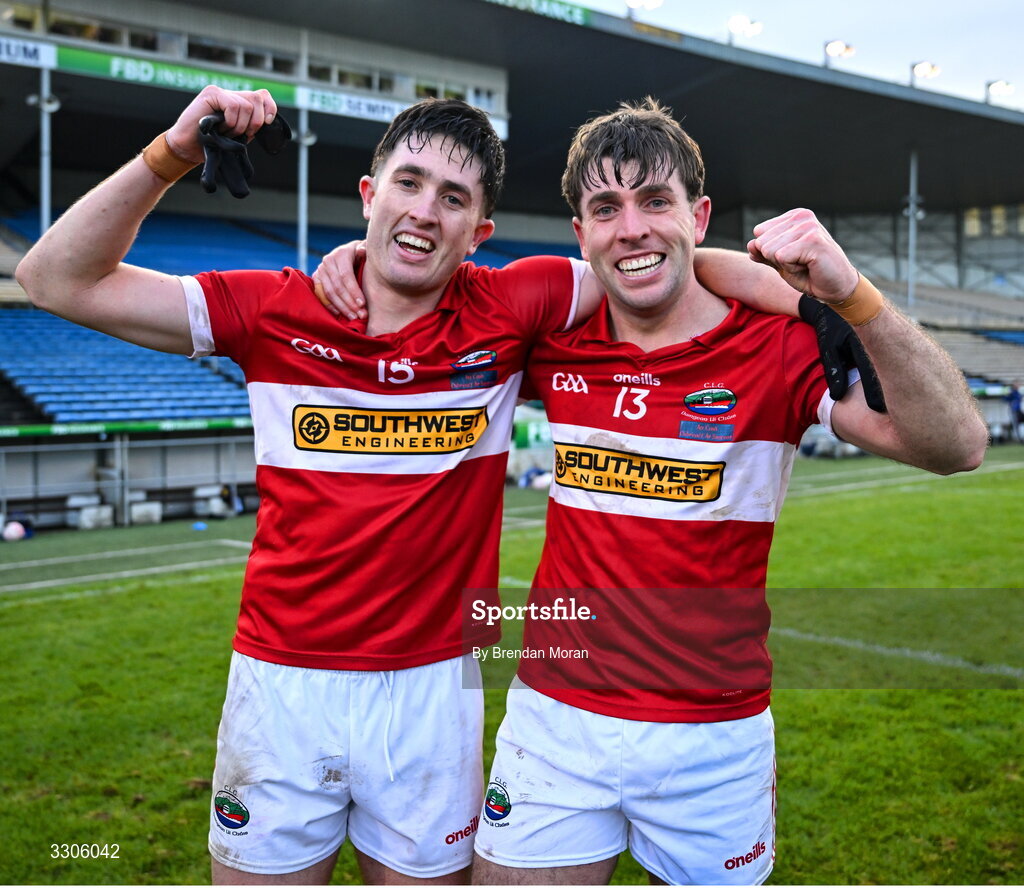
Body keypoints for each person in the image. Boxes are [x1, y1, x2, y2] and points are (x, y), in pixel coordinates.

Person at [15, 86, 801, 885]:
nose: (426, 211)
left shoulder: (515, 303)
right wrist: (173, 152)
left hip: (435, 691)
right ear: (370, 194)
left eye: (453, 198)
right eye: (409, 184)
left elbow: (651, 257)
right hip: (281, 685)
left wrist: (807, 302)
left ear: (478, 232)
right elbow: (54, 281)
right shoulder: (270, 310)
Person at [461, 99, 986, 885]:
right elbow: (418, 295)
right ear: (581, 234)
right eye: (606, 208)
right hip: (555, 720)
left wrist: (852, 300)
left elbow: (957, 446)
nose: (631, 227)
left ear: (698, 215)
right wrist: (352, 261)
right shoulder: (556, 333)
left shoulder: (775, 346)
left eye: (655, 201)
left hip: (714, 732)